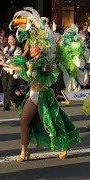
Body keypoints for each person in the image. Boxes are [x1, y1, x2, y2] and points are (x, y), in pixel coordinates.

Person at [7, 7, 81, 162]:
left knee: (51, 122)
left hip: (44, 96)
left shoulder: (44, 62)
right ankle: (24, 151)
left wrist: (51, 62)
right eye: (30, 45)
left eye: (33, 46)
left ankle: (64, 145)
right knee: (24, 121)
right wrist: (4, 62)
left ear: (39, 49)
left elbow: (50, 68)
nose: (30, 47)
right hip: (33, 95)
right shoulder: (31, 60)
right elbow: (22, 66)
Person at [0, 34, 22, 110]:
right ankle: (6, 106)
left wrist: (6, 56)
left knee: (10, 89)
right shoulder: (6, 48)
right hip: (5, 70)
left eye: (12, 39)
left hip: (13, 71)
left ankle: (18, 102)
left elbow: (16, 60)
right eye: (9, 39)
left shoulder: (18, 49)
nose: (10, 41)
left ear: (15, 40)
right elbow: (2, 60)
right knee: (5, 88)